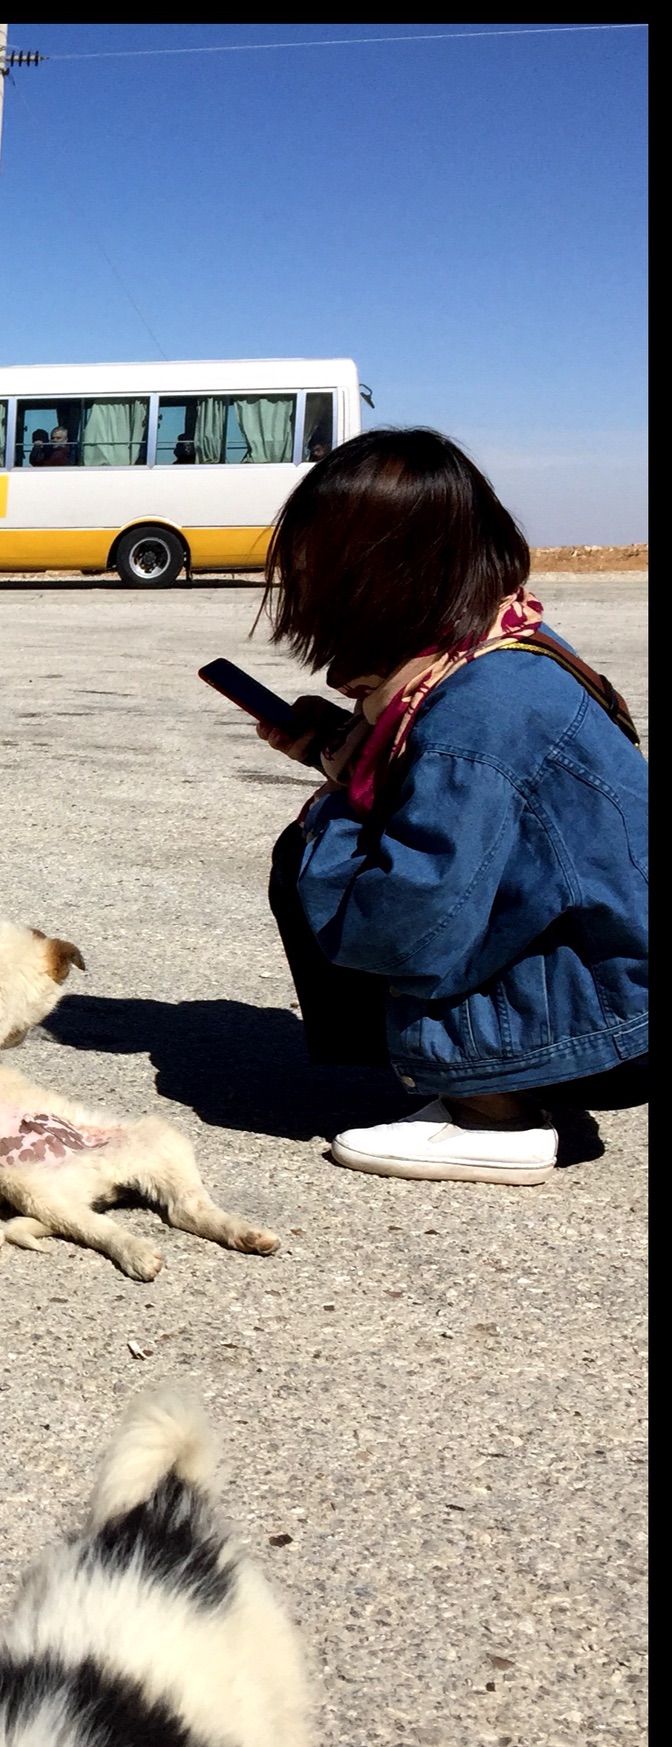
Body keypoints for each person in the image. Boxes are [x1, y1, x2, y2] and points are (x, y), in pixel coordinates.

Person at [253, 427, 647, 1184]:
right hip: (623, 987)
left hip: (623, 1014)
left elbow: (405, 924)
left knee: (315, 858)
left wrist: (334, 814)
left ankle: (497, 1115)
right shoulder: (500, 645)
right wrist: (339, 746)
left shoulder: (476, 712)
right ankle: (506, 1075)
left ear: (378, 576)